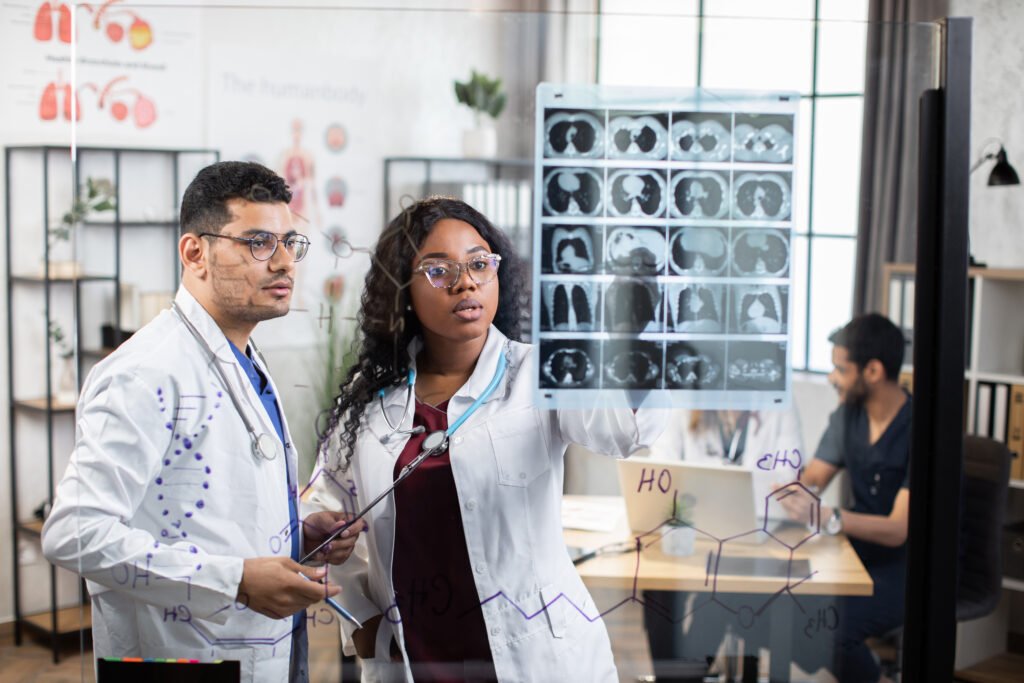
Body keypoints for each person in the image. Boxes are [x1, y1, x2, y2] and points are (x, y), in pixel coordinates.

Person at [306, 197, 663, 682]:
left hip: (537, 656)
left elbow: (625, 431)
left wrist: (639, 338)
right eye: (439, 271)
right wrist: (363, 621)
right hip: (417, 656)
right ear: (403, 290)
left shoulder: (540, 372)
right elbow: (324, 507)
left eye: (479, 264)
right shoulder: (368, 397)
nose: (466, 282)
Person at [42, 161, 365, 682]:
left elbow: (216, 507)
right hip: (180, 655)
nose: (284, 262)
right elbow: (74, 533)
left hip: (261, 648)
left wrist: (297, 533)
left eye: (289, 242)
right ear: (195, 253)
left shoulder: (242, 355)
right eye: (258, 243)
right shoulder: (145, 372)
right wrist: (235, 580)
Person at [779, 313, 910, 683]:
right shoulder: (848, 417)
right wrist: (779, 487)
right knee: (785, 607)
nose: (831, 378)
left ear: (873, 371)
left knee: (829, 627)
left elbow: (898, 530)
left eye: (840, 369)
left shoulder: (920, 429)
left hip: (909, 567)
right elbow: (812, 481)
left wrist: (828, 516)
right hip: (859, 555)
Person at [642, 409, 805, 681]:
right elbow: (661, 471)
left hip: (755, 539)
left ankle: (681, 679)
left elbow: (787, 482)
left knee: (717, 593)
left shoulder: (778, 407)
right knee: (658, 586)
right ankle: (671, 677)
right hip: (693, 535)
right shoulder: (686, 405)